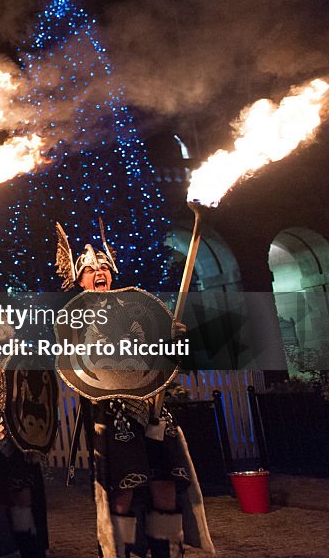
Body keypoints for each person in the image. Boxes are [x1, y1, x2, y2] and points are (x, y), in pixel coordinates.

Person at [55, 223, 212, 558]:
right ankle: (119, 552)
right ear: (79, 280)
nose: (100, 273)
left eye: (104, 268)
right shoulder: (76, 317)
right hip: (113, 412)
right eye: (91, 270)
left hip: (153, 409)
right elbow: (78, 362)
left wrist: (176, 341)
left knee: (166, 483)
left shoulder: (134, 309)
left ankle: (167, 551)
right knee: (123, 491)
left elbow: (163, 358)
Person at [0, 292, 51, 558]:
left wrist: (35, 438)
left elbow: (37, 392)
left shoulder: (19, 349)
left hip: (17, 435)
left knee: (22, 495)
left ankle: (28, 549)